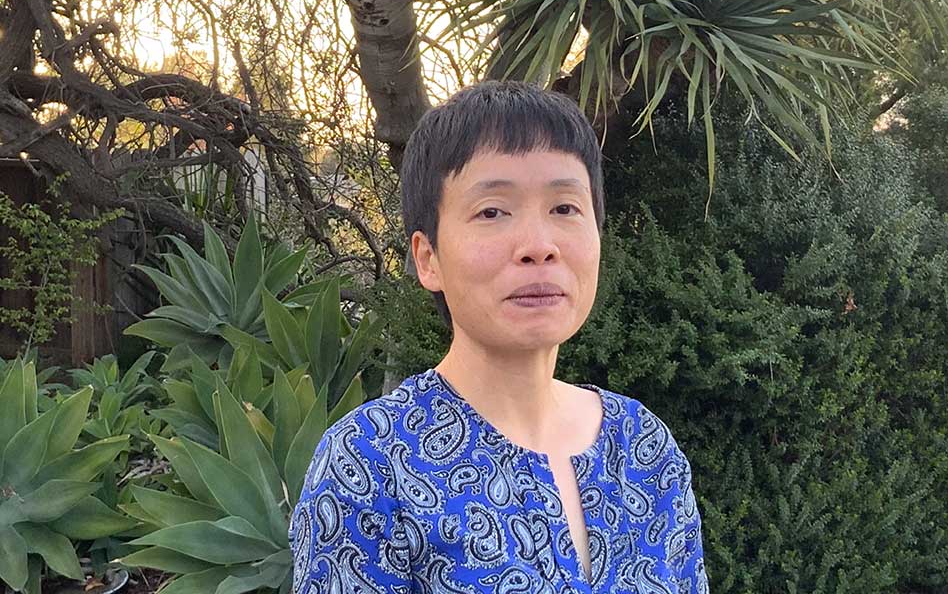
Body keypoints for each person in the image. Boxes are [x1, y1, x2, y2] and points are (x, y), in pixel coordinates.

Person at [289, 81, 709, 593]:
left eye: (564, 208)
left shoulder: (644, 448)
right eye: (492, 211)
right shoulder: (371, 463)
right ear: (428, 259)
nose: (539, 246)